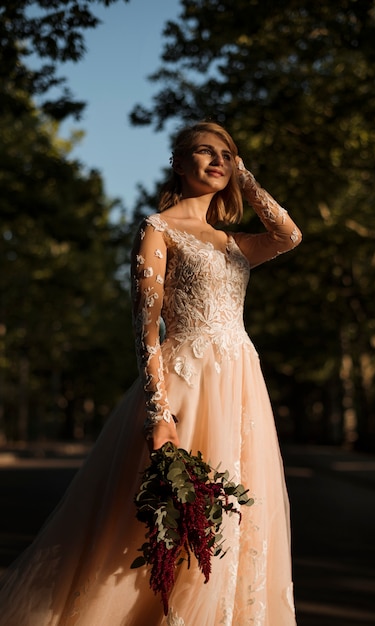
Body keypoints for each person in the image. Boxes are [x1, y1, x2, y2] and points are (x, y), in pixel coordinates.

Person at [0, 121, 301, 625]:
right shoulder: (156, 228)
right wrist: (159, 411)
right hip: (188, 384)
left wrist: (245, 178)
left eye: (225, 155)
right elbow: (146, 329)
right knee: (160, 523)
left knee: (233, 517)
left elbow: (289, 235)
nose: (217, 162)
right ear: (178, 164)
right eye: (204, 153)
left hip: (241, 383)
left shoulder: (233, 243)